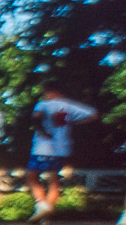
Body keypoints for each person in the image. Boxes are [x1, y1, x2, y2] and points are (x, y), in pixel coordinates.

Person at [27, 85, 98, 218]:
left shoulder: (43, 104)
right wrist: (74, 122)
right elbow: (93, 114)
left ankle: (41, 204)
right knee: (54, 181)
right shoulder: (69, 105)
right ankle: (45, 214)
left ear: (52, 91)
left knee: (32, 177)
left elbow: (36, 117)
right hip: (62, 148)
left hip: (43, 147)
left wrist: (42, 131)